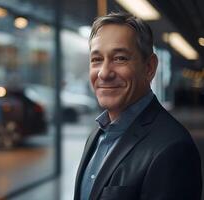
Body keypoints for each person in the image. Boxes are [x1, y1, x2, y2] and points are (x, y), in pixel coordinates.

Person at [74, 12, 202, 200]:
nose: (104, 73)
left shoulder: (173, 148)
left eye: (120, 58)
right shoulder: (97, 133)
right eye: (97, 59)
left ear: (149, 67)